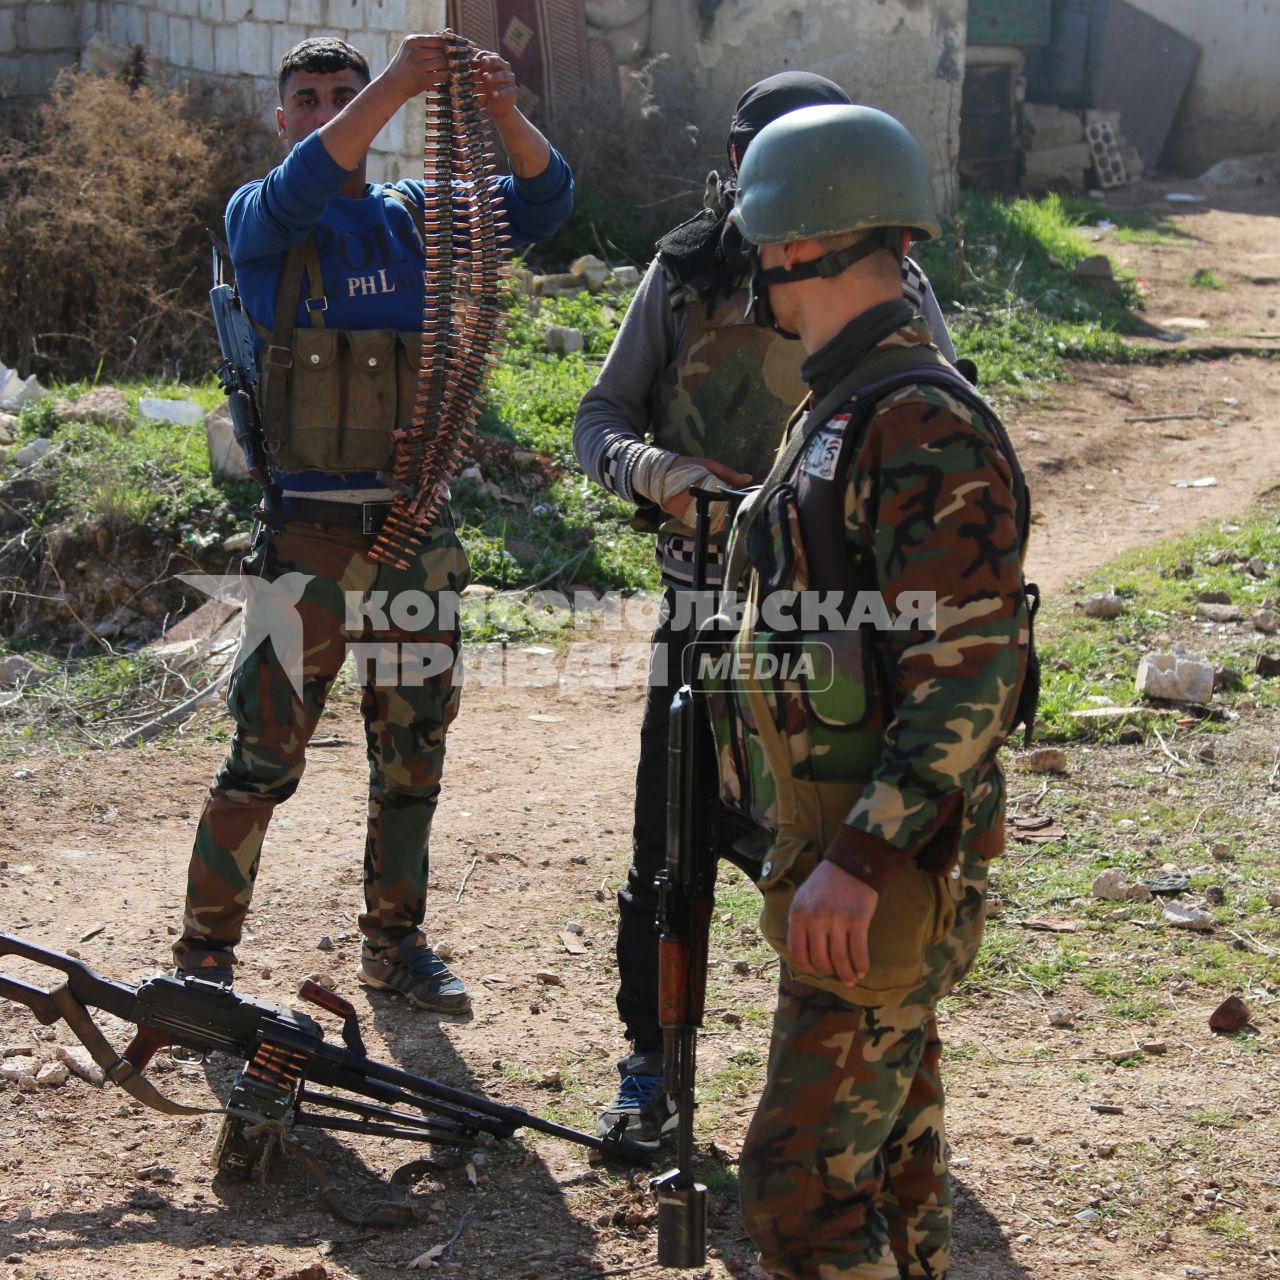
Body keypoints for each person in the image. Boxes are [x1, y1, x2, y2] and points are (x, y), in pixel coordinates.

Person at [570, 71, 958, 1151]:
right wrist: (656, 472)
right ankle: (651, 1065)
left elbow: (936, 412)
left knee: (826, 847)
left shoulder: (888, 282)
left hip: (821, 634)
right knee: (668, 853)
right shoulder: (686, 270)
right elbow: (598, 418)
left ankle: (872, 1079)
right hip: (700, 618)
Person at [174, 35, 574, 1014]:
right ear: (284, 118)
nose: (322, 111)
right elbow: (307, 182)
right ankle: (201, 962)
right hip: (304, 545)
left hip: (411, 538)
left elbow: (546, 202)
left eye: (340, 95)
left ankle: (395, 945)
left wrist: (504, 110)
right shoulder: (262, 218)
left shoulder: (417, 221)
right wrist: (397, 85)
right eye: (306, 98)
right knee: (262, 757)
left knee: (412, 756)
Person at [715, 103, 1034, 1277]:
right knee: (897, 1159)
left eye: (765, 239)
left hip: (885, 859)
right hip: (851, 843)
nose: (757, 264)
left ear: (806, 240)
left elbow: (971, 676)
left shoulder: (917, 419)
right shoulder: (846, 403)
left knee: (796, 1190)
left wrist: (860, 854)